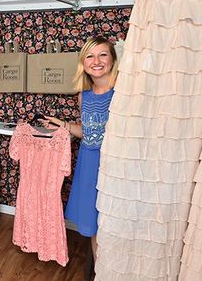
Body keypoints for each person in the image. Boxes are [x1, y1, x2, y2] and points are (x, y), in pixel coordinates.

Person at [39, 36, 118, 260]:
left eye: (103, 54)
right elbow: (88, 132)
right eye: (89, 56)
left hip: (112, 164)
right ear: (83, 62)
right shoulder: (85, 95)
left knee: (112, 223)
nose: (96, 61)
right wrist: (61, 123)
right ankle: (100, 273)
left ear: (112, 59)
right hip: (88, 162)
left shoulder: (122, 93)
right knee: (94, 223)